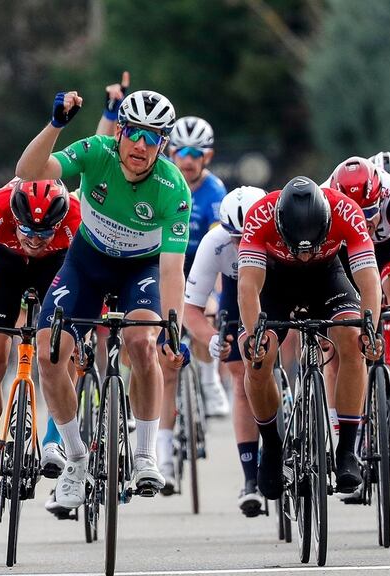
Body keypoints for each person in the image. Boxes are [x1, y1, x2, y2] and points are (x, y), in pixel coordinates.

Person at [14, 89, 190, 510]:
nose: (142, 146)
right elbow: (28, 171)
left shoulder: (172, 187)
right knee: (48, 352)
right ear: (120, 133)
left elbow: (171, 271)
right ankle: (75, 458)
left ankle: (145, 454)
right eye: (134, 134)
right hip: (87, 264)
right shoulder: (96, 152)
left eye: (154, 137)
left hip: (141, 270)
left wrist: (172, 327)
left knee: (142, 344)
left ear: (163, 143)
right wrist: (56, 124)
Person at [237, 177, 384, 499]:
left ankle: (346, 450)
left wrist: (369, 331)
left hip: (327, 278)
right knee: (257, 358)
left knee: (351, 336)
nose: (304, 256)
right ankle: (273, 446)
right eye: (296, 248)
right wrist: (254, 336)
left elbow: (369, 281)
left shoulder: (346, 210)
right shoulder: (261, 214)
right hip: (276, 280)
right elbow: (248, 285)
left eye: (312, 246)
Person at [0, 179, 81, 513]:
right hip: (5, 266)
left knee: (57, 345)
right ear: (14, 215)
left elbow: (85, 280)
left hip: (56, 266)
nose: (35, 240)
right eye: (27, 230)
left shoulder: (74, 216)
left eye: (44, 232)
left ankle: (54, 439)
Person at [328, 157, 390, 454]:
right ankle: (342, 435)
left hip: (389, 247)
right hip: (344, 250)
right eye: (358, 214)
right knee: (337, 333)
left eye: (370, 213)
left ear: (380, 196)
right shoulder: (325, 199)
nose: (366, 222)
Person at [183, 185, 268, 515]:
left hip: (277, 285)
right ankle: (250, 479)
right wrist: (213, 338)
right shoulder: (214, 243)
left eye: (247, 237)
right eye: (235, 238)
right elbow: (192, 310)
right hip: (236, 292)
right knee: (241, 379)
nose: (241, 245)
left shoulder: (281, 232)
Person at [155, 115, 229, 491]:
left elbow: (221, 252)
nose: (186, 158)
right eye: (179, 150)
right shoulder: (161, 184)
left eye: (194, 153)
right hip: (165, 268)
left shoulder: (216, 193)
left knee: (208, 309)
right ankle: (164, 457)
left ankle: (207, 376)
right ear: (169, 151)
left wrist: (214, 296)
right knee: (165, 368)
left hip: (202, 271)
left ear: (207, 156)